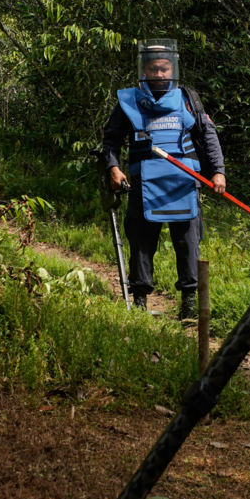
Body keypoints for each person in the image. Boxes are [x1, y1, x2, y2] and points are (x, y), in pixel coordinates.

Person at [100, 40, 226, 320]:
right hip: (143, 183)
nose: (159, 74)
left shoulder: (188, 99)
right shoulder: (128, 101)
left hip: (185, 182)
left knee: (188, 243)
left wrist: (218, 171)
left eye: (164, 68)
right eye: (153, 69)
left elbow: (208, 135)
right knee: (141, 243)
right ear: (143, 70)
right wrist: (113, 167)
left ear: (173, 68)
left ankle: (189, 304)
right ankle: (141, 300)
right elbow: (111, 139)